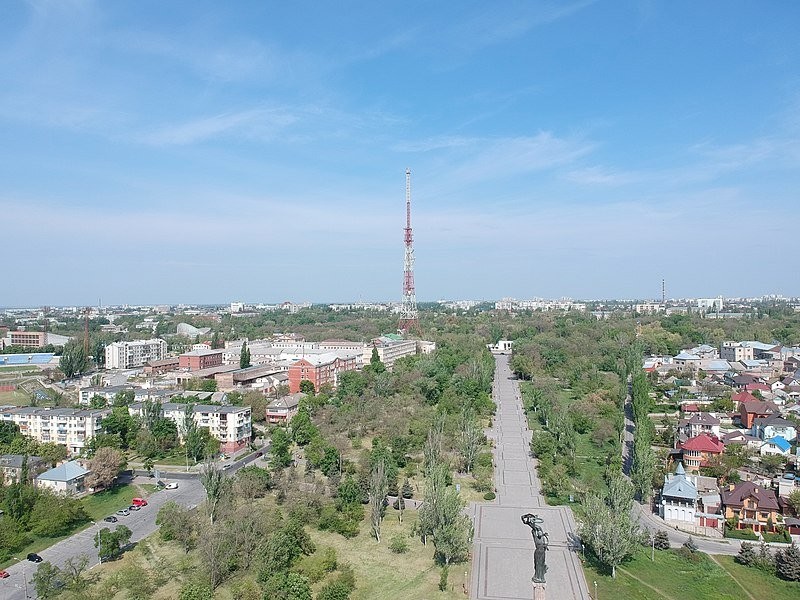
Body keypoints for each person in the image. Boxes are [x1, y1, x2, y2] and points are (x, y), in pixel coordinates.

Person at [521, 513, 549, 583]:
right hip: (538, 552)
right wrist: (529, 520)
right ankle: (537, 576)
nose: (539, 533)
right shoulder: (535, 536)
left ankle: (541, 577)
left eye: (540, 532)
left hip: (542, 552)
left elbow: (539, 528)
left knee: (542, 563)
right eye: (538, 532)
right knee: (537, 564)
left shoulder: (542, 537)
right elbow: (534, 527)